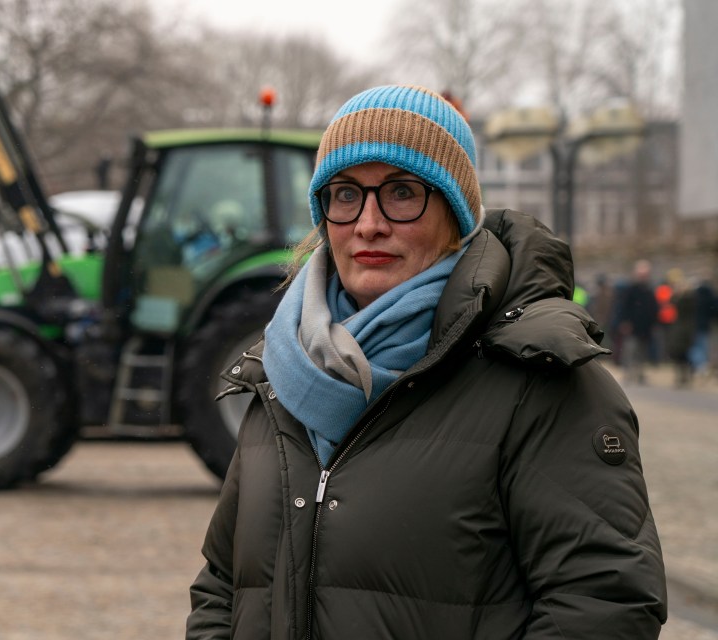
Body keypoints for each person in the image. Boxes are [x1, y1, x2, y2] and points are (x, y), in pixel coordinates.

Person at [187, 85, 666, 639]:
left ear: (455, 213)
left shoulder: (540, 380)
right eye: (345, 194)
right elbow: (224, 584)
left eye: (402, 192)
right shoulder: (281, 372)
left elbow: (604, 603)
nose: (368, 223)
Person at [618, 259, 660, 384]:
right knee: (630, 350)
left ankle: (640, 373)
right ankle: (628, 373)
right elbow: (624, 307)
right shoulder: (631, 290)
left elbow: (653, 309)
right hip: (632, 326)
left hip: (645, 327)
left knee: (642, 352)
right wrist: (625, 322)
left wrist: (653, 323)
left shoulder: (650, 291)